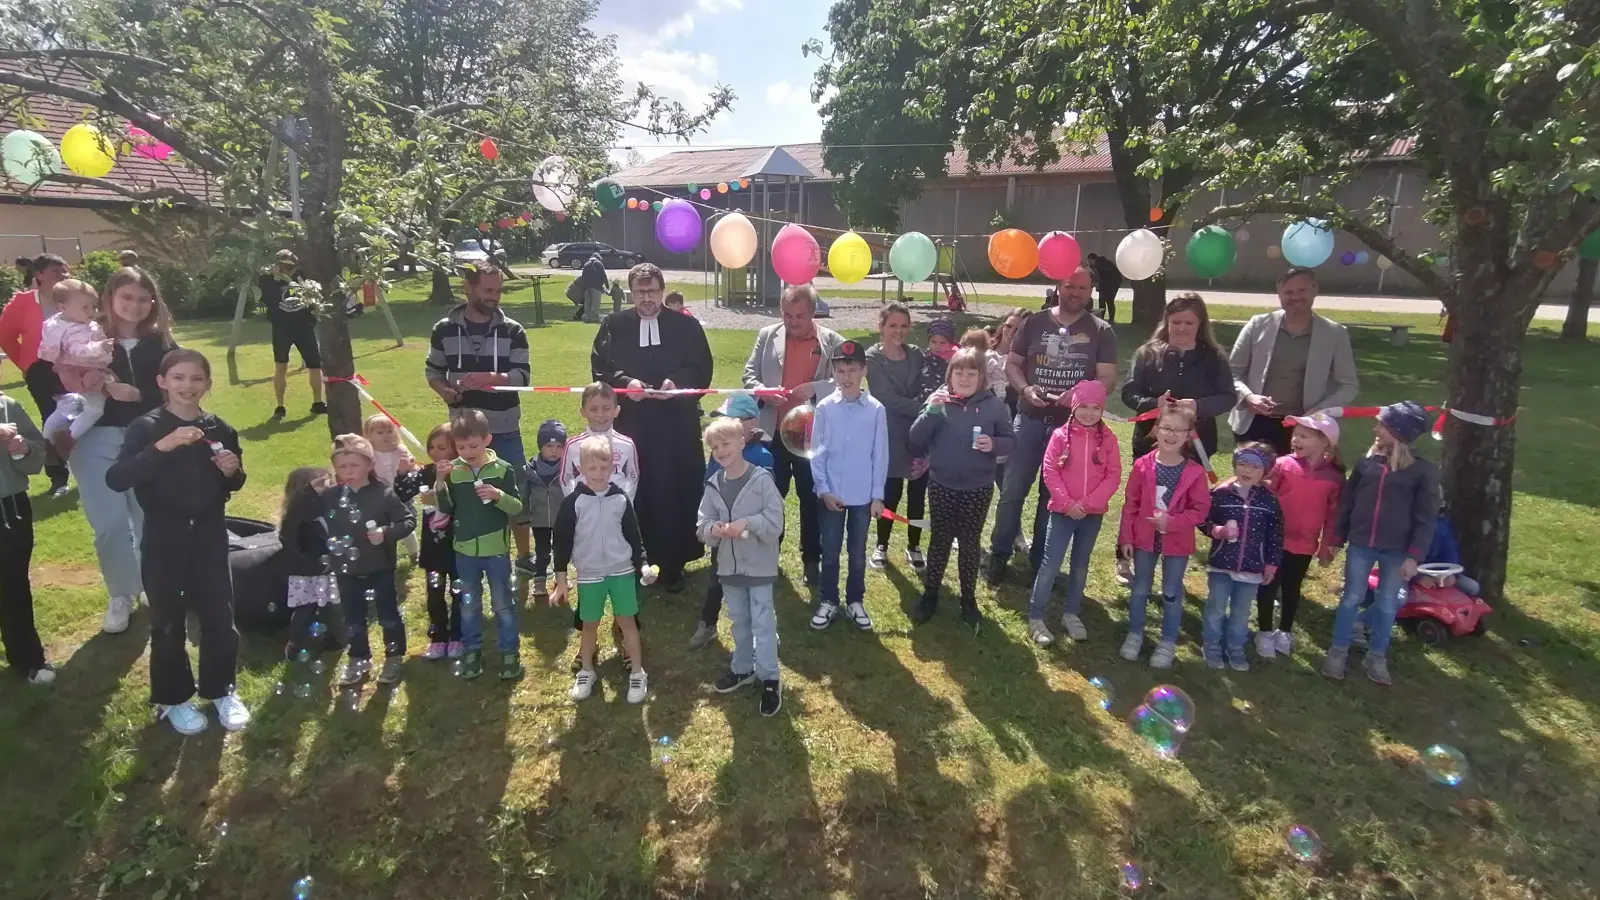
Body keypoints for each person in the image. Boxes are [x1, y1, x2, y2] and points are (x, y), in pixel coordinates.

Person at [105, 348, 249, 735]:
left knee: (219, 614)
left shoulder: (220, 428)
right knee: (168, 620)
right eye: (180, 378)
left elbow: (232, 483)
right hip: (164, 533)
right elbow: (118, 478)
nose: (188, 386)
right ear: (162, 382)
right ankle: (173, 698)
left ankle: (222, 690)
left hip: (209, 532)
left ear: (208, 384)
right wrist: (162, 446)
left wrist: (232, 472)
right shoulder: (146, 427)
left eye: (197, 378)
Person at [988, 265, 1118, 583]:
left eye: (1083, 288)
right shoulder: (1033, 323)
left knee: (1054, 498)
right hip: (1029, 420)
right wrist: (1025, 388)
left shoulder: (1101, 330)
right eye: (1070, 286)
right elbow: (1014, 365)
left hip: (1070, 430)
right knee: (1011, 491)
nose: (1075, 293)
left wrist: (1081, 394)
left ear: (1091, 291)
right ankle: (999, 555)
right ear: (1059, 286)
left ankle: (1040, 561)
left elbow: (1107, 378)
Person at [592, 263, 714, 592]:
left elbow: (701, 366)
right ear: (631, 292)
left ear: (662, 291)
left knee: (674, 489)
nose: (647, 298)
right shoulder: (614, 325)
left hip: (675, 425)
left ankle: (674, 563)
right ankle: (634, 560)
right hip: (633, 424)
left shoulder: (685, 326)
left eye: (653, 291)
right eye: (640, 292)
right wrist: (626, 383)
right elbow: (602, 367)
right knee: (634, 489)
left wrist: (677, 383)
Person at [73, 267, 175, 634]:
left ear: (153, 303)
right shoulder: (86, 337)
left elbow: (182, 393)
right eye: (126, 297)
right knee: (109, 525)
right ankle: (121, 593)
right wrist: (84, 384)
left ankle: (149, 581)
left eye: (143, 299)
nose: (135, 306)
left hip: (146, 440)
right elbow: (49, 377)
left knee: (147, 518)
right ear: (110, 298)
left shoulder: (163, 344)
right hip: (95, 440)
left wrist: (142, 396)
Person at [425, 266, 534, 572]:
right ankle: (467, 556)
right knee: (462, 494)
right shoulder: (444, 329)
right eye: (488, 291)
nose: (494, 297)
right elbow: (433, 371)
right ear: (468, 288)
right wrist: (444, 390)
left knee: (516, 492)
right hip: (463, 436)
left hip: (504, 427)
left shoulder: (513, 330)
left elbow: (522, 377)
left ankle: (525, 557)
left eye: (498, 291)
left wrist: (490, 377)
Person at [1323, 401, 1440, 686]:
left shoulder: (1423, 472)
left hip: (1397, 552)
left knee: (1387, 603)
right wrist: (1336, 539)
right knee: (1351, 596)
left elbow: (1426, 517)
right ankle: (1338, 649)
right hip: (1361, 544)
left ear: (1399, 433)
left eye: (1382, 425)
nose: (1375, 429)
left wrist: (1414, 555)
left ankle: (1377, 655)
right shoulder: (1366, 464)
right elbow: (1347, 504)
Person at [741, 282, 845, 586]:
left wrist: (815, 389)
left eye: (799, 316)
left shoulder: (832, 341)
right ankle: (769, 555)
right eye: (787, 314)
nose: (792, 321)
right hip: (771, 433)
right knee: (771, 497)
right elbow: (749, 373)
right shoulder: (767, 335)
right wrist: (761, 390)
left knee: (811, 498)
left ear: (813, 313)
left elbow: (845, 381)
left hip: (810, 437)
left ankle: (811, 558)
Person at [907, 347, 1014, 628]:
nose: (964, 378)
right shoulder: (939, 400)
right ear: (950, 374)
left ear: (981, 378)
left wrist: (995, 444)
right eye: (958, 372)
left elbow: (1010, 440)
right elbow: (915, 439)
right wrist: (931, 411)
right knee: (939, 540)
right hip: (941, 484)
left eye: (971, 373)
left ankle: (968, 599)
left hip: (977, 487)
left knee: (969, 543)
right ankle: (930, 593)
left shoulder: (993, 405)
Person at [551, 436, 655, 703]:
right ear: (581, 468)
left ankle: (637, 672)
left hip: (621, 572)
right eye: (592, 468)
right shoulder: (572, 503)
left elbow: (634, 536)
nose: (598, 474)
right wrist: (560, 579)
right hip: (589, 574)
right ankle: (587, 671)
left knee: (627, 623)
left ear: (612, 468)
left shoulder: (621, 499)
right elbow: (561, 542)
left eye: (604, 468)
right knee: (589, 625)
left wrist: (642, 565)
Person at [697, 417, 786, 716]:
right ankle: (743, 667)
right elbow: (702, 524)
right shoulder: (713, 484)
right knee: (739, 620)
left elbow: (775, 523)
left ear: (741, 442)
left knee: (763, 621)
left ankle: (770, 677)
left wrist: (747, 524)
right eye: (715, 447)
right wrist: (714, 530)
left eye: (726, 443)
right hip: (728, 567)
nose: (721, 450)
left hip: (759, 566)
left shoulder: (761, 480)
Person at [1026, 380, 1121, 647]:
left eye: (1096, 408)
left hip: (1091, 515)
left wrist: (1090, 503)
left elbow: (1113, 475)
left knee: (1079, 566)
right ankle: (1036, 616)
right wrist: (1067, 503)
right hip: (1062, 512)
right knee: (1050, 564)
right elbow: (1050, 471)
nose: (1089, 413)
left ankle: (1071, 612)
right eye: (1084, 407)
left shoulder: (1110, 439)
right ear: (1074, 407)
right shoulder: (1059, 436)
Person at [1117, 405, 1211, 669]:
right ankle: (1135, 634)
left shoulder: (1194, 472)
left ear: (1188, 435)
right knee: (1140, 589)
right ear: (1156, 430)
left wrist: (1173, 522)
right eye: (1167, 428)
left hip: (1176, 542)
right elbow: (1130, 504)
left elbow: (1200, 510)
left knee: (1171, 591)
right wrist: (1126, 538)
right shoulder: (1142, 465)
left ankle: (1167, 641)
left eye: (1179, 430)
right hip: (1144, 539)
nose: (1171, 434)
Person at [1229, 267, 1359, 455]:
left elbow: (1349, 385)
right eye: (1288, 292)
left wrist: (1320, 411)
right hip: (1254, 423)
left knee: (1292, 482)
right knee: (1254, 480)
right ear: (1279, 294)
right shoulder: (1257, 325)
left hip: (1306, 426)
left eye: (1302, 290)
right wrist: (1249, 397)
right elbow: (1232, 372)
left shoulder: (1335, 334)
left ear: (1315, 290)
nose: (1295, 297)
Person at [435, 409, 525, 680]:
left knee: (502, 604)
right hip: (464, 550)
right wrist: (440, 481)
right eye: (460, 447)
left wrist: (498, 495)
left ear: (488, 439)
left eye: (473, 446)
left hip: (495, 550)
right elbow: (446, 507)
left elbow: (518, 507)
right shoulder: (455, 471)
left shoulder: (502, 470)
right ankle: (471, 650)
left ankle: (509, 652)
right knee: (469, 604)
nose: (467, 452)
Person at [321, 434, 415, 686]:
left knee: (388, 614)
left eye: (354, 465)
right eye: (342, 466)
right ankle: (358, 658)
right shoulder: (330, 496)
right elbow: (310, 520)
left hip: (380, 565)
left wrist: (386, 533)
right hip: (346, 568)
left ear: (370, 465)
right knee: (353, 618)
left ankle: (394, 657)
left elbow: (407, 520)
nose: (348, 471)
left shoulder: (383, 494)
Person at [808, 340, 888, 632]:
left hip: (862, 497)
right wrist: (823, 489)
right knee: (830, 552)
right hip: (832, 495)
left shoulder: (876, 410)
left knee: (857, 553)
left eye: (851, 369)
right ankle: (829, 600)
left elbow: (880, 455)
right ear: (833, 372)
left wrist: (877, 496)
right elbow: (816, 451)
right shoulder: (826, 408)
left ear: (863, 371)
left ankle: (855, 600)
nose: (846, 376)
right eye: (840, 369)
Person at [688, 393, 775, 651]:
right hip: (724, 539)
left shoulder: (762, 457)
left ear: (750, 424)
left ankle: (760, 633)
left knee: (754, 587)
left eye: (731, 420)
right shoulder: (719, 456)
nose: (721, 447)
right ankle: (708, 622)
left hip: (753, 541)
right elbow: (710, 486)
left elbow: (771, 501)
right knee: (717, 579)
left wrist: (747, 522)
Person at [1257, 411, 1344, 659]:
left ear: (1325, 441)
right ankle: (1264, 632)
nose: (1296, 439)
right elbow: (1264, 491)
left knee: (1292, 587)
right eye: (1296, 434)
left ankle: (1284, 631)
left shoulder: (1334, 477)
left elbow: (1333, 516)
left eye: (1304, 436)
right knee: (1267, 584)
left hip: (1305, 544)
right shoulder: (1283, 464)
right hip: (1274, 539)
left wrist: (1328, 546)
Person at [1121, 292, 1236, 459]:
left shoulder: (1214, 356)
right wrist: (1154, 403)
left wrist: (1198, 406)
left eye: (1189, 323)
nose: (1182, 328)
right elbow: (1129, 393)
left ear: (1200, 324)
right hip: (1150, 444)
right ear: (1166, 321)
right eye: (1176, 322)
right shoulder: (1147, 354)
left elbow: (1228, 397)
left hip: (1197, 446)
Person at [1200, 443, 1284, 671]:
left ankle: (1235, 646)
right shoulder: (1221, 493)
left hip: (1252, 568)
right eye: (1242, 464)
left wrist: (1272, 564)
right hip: (1221, 564)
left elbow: (1276, 534)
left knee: (1241, 611)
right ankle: (1211, 644)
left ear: (1265, 471)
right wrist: (1218, 531)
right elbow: (1203, 520)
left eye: (1254, 466)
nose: (1246, 470)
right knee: (1216, 607)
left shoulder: (1269, 500)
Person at [0, 253, 74, 496]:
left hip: (77, 367)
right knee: (52, 421)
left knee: (86, 416)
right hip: (42, 371)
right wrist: (25, 363)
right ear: (39, 275)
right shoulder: (23, 302)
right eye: (57, 271)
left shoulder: (75, 296)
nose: (63, 275)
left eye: (66, 271)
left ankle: (90, 466)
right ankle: (58, 477)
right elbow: (5, 335)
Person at [866, 303, 930, 571]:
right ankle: (881, 545)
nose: (899, 331)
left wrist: (928, 408)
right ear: (881, 327)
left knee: (917, 493)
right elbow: (886, 399)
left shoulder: (916, 355)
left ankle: (914, 546)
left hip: (919, 433)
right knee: (890, 493)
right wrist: (925, 406)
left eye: (904, 326)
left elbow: (928, 385)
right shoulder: (872, 358)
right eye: (893, 325)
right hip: (889, 434)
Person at [0, 391, 53, 685]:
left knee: (14, 585)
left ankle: (27, 657)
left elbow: (35, 457)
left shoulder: (7, 405)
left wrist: (21, 449)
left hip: (10, 508)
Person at [37, 278, 115, 456]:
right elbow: (79, 350)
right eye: (85, 307)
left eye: (93, 306)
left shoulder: (57, 324)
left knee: (73, 403)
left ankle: (50, 430)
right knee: (95, 408)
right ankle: (69, 436)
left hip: (72, 371)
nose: (92, 311)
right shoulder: (75, 330)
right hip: (84, 371)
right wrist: (100, 347)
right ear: (62, 308)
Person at [278, 466, 342, 660]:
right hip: (305, 569)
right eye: (321, 484)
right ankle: (294, 643)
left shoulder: (323, 506)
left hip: (325, 567)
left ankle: (331, 639)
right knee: (305, 608)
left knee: (329, 606)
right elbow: (289, 538)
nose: (327, 486)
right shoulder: (296, 514)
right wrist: (307, 494)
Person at [259, 250, 327, 420]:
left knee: (315, 365)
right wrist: (276, 280)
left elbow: (313, 296)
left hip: (304, 326)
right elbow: (268, 299)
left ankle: (318, 403)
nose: (286, 270)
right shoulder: (267, 279)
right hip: (282, 328)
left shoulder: (303, 278)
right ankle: (280, 406)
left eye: (290, 267)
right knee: (281, 366)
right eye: (283, 266)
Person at [415, 423, 462, 659]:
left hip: (456, 543)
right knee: (434, 591)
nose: (435, 452)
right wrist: (401, 469)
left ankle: (458, 634)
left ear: (455, 449)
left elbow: (460, 505)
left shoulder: (461, 473)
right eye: (431, 446)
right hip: (432, 544)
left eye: (441, 447)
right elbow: (401, 492)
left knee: (459, 592)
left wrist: (441, 496)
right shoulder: (424, 472)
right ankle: (438, 634)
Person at [559, 382, 638, 498]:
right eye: (593, 409)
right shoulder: (572, 445)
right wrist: (574, 503)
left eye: (606, 409)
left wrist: (625, 503)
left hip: (615, 509)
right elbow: (565, 477)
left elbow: (633, 477)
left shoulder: (627, 445)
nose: (600, 414)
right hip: (584, 510)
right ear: (583, 412)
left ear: (616, 411)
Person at [523, 418, 569, 598]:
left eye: (559, 446)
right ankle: (540, 580)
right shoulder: (530, 469)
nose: (554, 451)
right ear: (540, 447)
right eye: (549, 446)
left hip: (562, 518)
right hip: (539, 518)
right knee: (542, 551)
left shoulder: (567, 468)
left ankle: (561, 579)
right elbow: (524, 494)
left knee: (561, 550)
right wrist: (524, 514)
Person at [364, 414, 420, 560]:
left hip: (401, 495)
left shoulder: (400, 450)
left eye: (389, 431)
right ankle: (387, 557)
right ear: (369, 435)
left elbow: (413, 469)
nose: (385, 436)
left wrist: (412, 470)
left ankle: (414, 554)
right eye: (379, 432)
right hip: (380, 497)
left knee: (405, 526)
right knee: (385, 528)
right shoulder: (369, 454)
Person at [1085, 252, 1124, 323]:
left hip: (1112, 284)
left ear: (1094, 260)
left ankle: (1107, 319)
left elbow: (1104, 278)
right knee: (1104, 301)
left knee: (1108, 301)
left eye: (1090, 261)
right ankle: (1104, 318)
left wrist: (1101, 288)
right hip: (1110, 283)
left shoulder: (1101, 265)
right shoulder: (1100, 263)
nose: (1089, 263)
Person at [579, 252, 608, 324]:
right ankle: (594, 318)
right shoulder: (599, 264)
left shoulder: (586, 264)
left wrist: (583, 287)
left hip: (587, 287)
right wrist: (607, 285)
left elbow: (583, 277)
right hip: (596, 286)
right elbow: (603, 275)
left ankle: (588, 318)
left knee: (588, 303)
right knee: (595, 303)